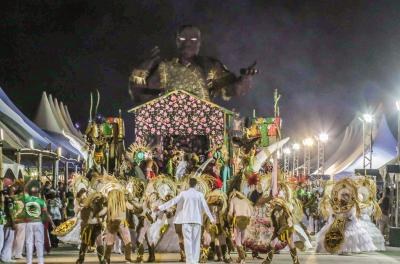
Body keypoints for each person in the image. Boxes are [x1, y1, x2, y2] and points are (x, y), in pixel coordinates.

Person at [129, 25, 257, 103]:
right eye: (183, 39)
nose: (188, 43)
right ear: (177, 41)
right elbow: (139, 92)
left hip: (202, 126)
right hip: (170, 126)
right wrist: (144, 65)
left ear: (200, 43)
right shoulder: (165, 67)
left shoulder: (211, 66)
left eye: (193, 39)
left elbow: (232, 89)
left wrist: (245, 80)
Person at [157, 178, 215, 264]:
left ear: (189, 184)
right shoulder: (200, 194)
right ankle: (195, 261)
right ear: (196, 185)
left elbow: (173, 201)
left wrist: (160, 207)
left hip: (186, 221)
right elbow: (206, 208)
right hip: (197, 221)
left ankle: (189, 261)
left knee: (188, 241)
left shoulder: (183, 194)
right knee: (196, 242)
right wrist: (211, 218)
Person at [25, 182, 55, 264]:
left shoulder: (26, 200)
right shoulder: (41, 201)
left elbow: (25, 190)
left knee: (29, 242)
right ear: (37, 193)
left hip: (28, 223)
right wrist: (52, 223)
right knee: (39, 242)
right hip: (38, 223)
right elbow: (46, 214)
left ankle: (29, 262)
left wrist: (28, 183)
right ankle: (40, 261)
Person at [1, 186, 16, 263]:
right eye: (13, 191)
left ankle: (7, 257)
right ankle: (4, 257)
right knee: (8, 240)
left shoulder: (7, 199)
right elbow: (10, 211)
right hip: (9, 223)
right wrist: (13, 222)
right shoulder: (10, 200)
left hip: (7, 222)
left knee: (8, 240)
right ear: (12, 192)